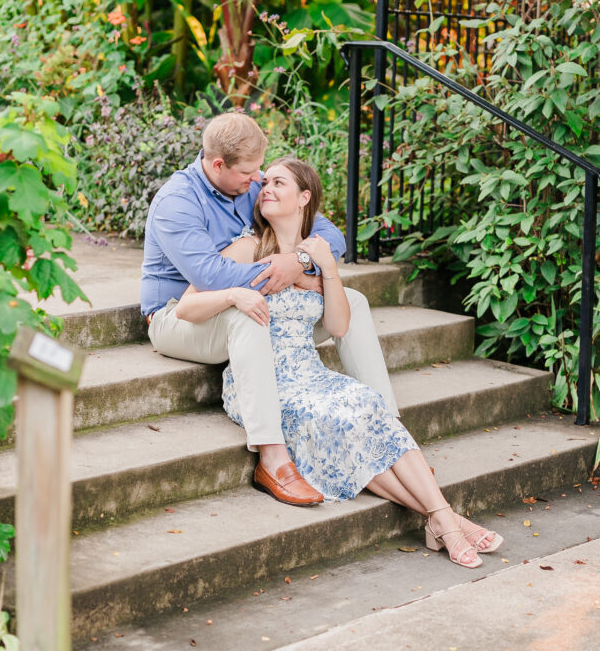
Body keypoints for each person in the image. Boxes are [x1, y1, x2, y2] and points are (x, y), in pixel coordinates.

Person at [174, 157, 505, 569]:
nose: (267, 188)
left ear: (304, 197)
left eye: (279, 183)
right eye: (265, 183)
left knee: (367, 403)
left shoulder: (313, 254)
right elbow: (187, 306)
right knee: (344, 424)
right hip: (265, 383)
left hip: (311, 374)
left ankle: (439, 520)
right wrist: (233, 295)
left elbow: (338, 324)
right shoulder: (247, 248)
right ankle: (448, 521)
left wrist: (328, 269)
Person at [140, 113, 397, 508]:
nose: (258, 177)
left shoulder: (249, 184)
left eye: (261, 168)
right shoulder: (178, 202)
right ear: (217, 165)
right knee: (248, 310)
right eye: (248, 171)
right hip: (182, 315)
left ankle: (391, 434)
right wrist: (288, 270)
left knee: (354, 301)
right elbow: (210, 276)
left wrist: (300, 263)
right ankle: (273, 458)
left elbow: (328, 234)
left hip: (252, 305)